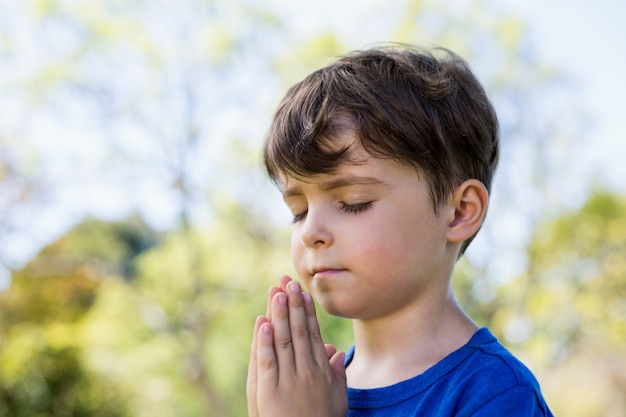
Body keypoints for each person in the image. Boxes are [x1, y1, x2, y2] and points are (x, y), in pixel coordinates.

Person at [247, 44, 554, 416]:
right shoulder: (307, 391)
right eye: (298, 210)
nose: (311, 231)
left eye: (353, 202)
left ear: (459, 212)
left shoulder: (496, 395)